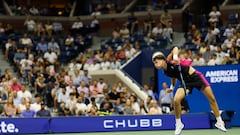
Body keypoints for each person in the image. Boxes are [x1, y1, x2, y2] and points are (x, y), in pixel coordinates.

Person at [152, 47, 227, 135]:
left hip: (196, 77)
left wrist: (175, 57)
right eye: (154, 63)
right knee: (176, 100)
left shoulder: (169, 60)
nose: (155, 65)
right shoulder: (165, 72)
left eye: (156, 62)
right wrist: (172, 87)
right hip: (185, 82)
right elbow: (173, 77)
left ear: (162, 60)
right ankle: (178, 124)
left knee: (212, 99)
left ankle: (219, 121)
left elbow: (175, 48)